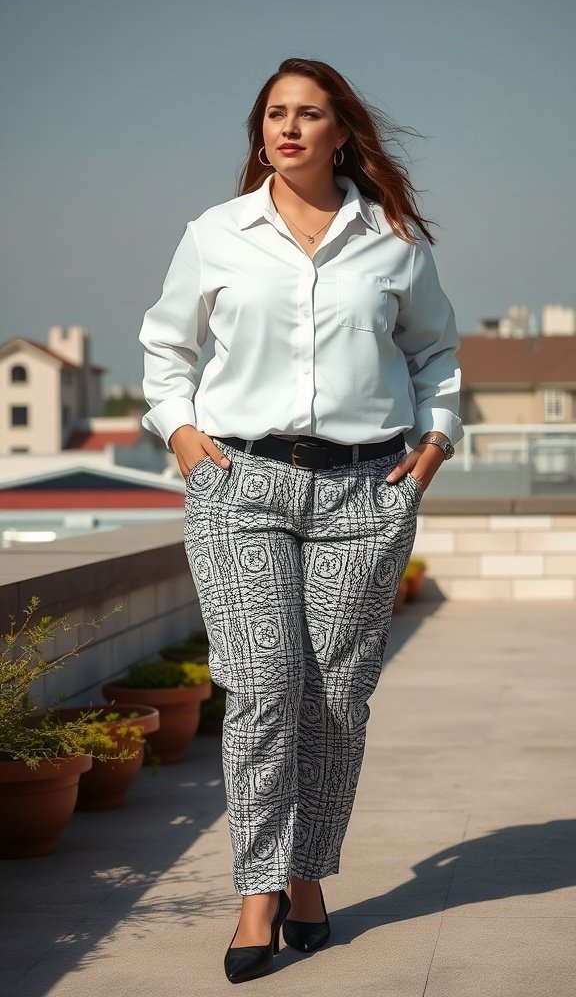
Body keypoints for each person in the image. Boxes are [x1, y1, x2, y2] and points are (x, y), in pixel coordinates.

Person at [139, 56, 462, 985]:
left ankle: (308, 875)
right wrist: (186, 437)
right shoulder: (217, 233)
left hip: (367, 490)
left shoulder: (393, 238)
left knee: (336, 700)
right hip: (240, 484)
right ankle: (257, 894)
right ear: (261, 131)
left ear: (340, 132)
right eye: (274, 114)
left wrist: (433, 448)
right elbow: (166, 347)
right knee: (263, 686)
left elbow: (435, 350)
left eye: (308, 114)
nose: (288, 128)